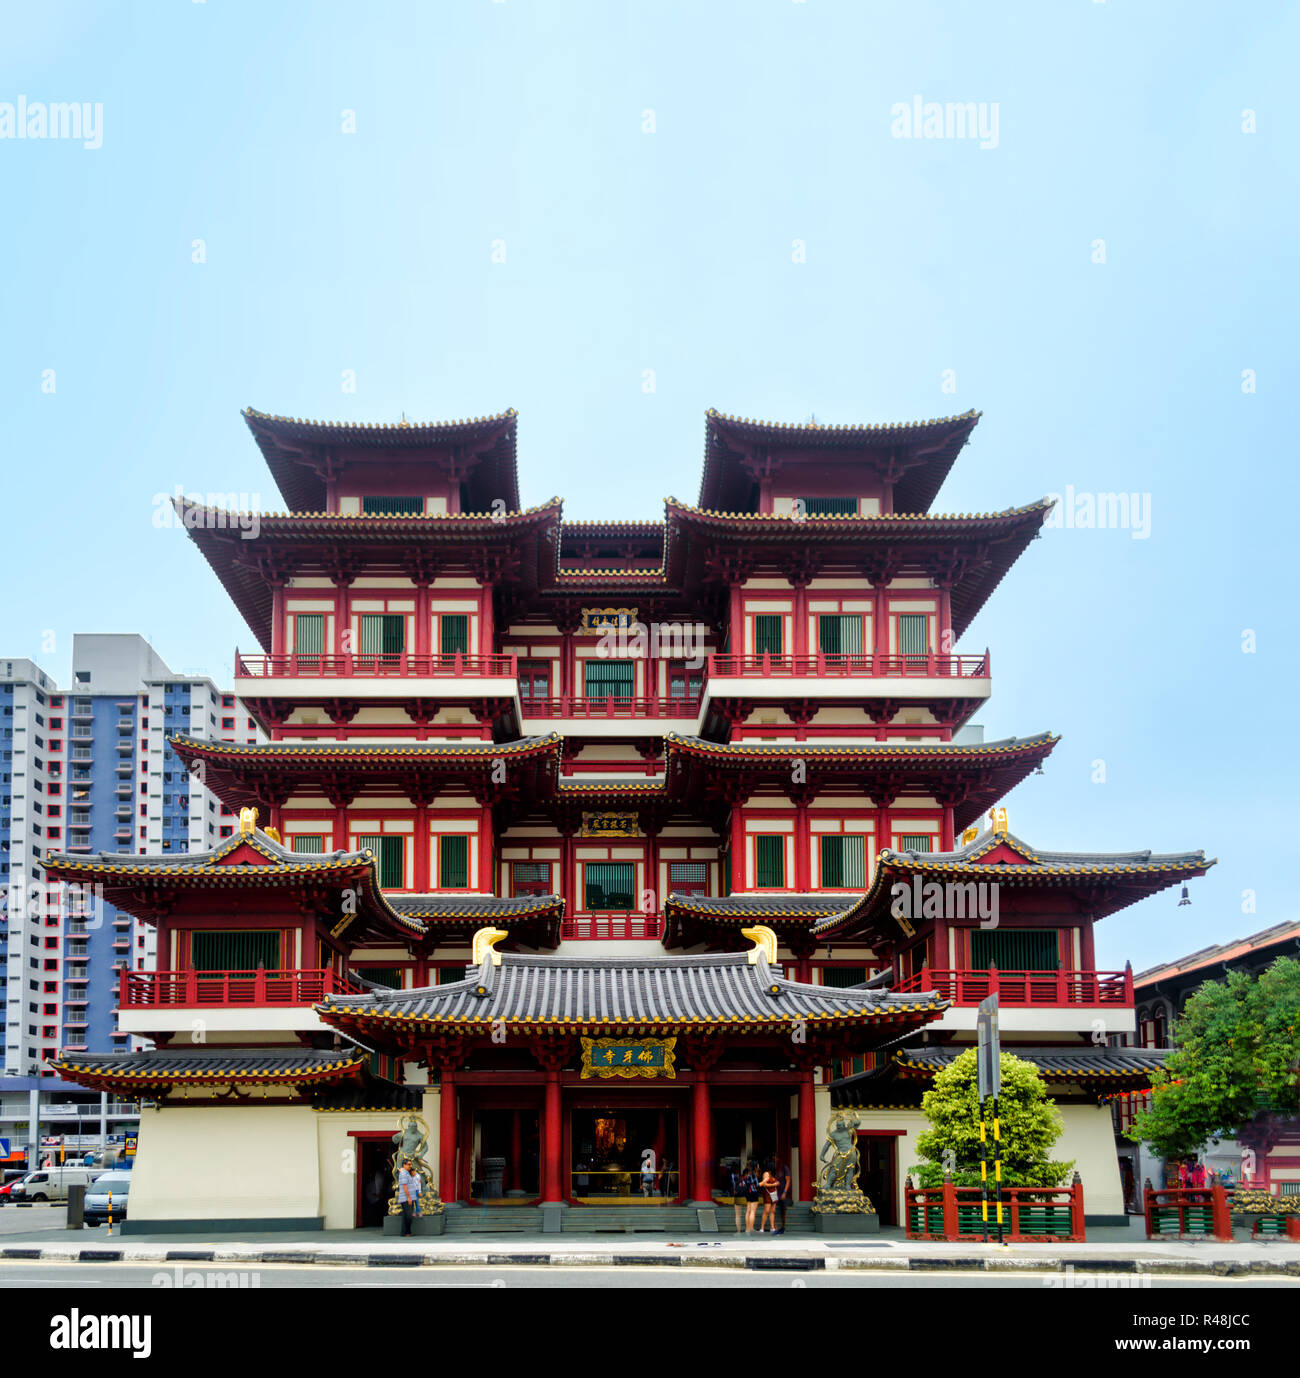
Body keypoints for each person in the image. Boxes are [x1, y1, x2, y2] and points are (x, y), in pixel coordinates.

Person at [397, 1157, 421, 1236]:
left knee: (406, 1216)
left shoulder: (406, 1172)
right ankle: (407, 1232)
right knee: (409, 1216)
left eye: (411, 1164)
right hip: (406, 1198)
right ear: (404, 1165)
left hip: (409, 1198)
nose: (410, 1166)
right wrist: (409, 1197)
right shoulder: (404, 1173)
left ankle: (405, 1232)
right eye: (409, 1164)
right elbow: (404, 1186)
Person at [740, 1160, 762, 1234]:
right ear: (755, 1166)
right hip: (753, 1193)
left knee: (748, 1210)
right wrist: (764, 1181)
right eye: (757, 1165)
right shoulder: (753, 1174)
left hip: (748, 1193)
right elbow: (757, 1185)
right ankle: (751, 1229)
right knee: (753, 1211)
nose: (758, 1167)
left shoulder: (748, 1174)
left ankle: (747, 1229)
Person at [758, 1164, 780, 1234]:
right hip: (768, 1194)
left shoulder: (773, 1175)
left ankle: (772, 1227)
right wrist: (774, 1184)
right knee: (766, 1211)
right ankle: (762, 1227)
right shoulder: (766, 1173)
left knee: (772, 1211)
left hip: (774, 1193)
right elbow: (764, 1184)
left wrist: (777, 1183)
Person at [774, 1159, 792, 1235]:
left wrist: (785, 1192)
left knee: (782, 1211)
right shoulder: (776, 1169)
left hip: (782, 1192)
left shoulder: (785, 1168)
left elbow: (788, 1180)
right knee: (775, 1210)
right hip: (776, 1192)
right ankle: (776, 1228)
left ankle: (783, 1227)